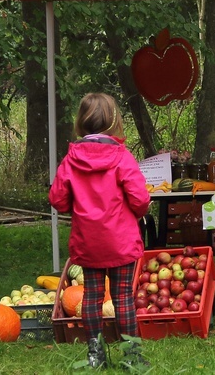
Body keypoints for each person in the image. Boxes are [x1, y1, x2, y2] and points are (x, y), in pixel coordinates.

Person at [49, 92, 151, 369]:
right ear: (114, 121)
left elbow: (57, 199)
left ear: (81, 122)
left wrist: (77, 203)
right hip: (120, 241)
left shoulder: (71, 159)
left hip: (88, 241)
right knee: (122, 299)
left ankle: (95, 354)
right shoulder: (122, 157)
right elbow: (140, 199)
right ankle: (132, 356)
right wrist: (138, 212)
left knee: (92, 297)